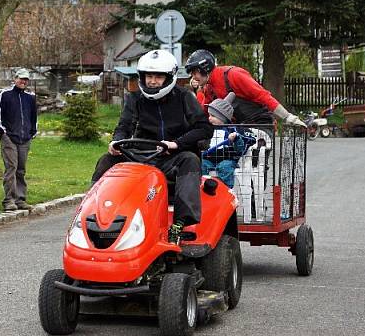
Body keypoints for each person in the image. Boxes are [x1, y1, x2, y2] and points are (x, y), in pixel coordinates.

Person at [91, 49, 214, 244]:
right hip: (141, 155)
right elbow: (124, 126)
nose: (153, 81)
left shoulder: (184, 97)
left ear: (169, 78)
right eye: (149, 76)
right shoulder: (135, 99)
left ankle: (179, 224)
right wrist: (116, 141)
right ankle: (93, 212)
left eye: (158, 76)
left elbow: (205, 128)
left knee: (190, 160)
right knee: (107, 160)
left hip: (172, 157)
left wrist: (176, 144)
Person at [185, 49, 305, 126]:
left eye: (194, 72)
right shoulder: (209, 88)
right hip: (238, 128)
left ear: (204, 68)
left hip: (260, 125)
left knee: (252, 162)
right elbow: (204, 113)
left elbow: (263, 96)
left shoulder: (233, 75)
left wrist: (288, 117)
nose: (193, 77)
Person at [0, 68, 37, 211]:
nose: (23, 82)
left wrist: (32, 132)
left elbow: (33, 116)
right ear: (15, 79)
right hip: (9, 137)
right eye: (21, 79)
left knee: (21, 169)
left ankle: (20, 199)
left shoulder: (30, 97)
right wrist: (3, 133)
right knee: (11, 168)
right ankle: (9, 200)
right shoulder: (4, 95)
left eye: (26, 80)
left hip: (25, 138)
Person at [200, 93, 256, 189]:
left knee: (225, 167)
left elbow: (240, 149)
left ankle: (225, 189)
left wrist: (236, 139)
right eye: (209, 115)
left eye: (213, 116)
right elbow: (201, 143)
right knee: (201, 164)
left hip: (227, 159)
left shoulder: (232, 130)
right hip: (209, 158)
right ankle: (202, 188)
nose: (209, 118)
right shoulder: (208, 129)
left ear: (223, 117)